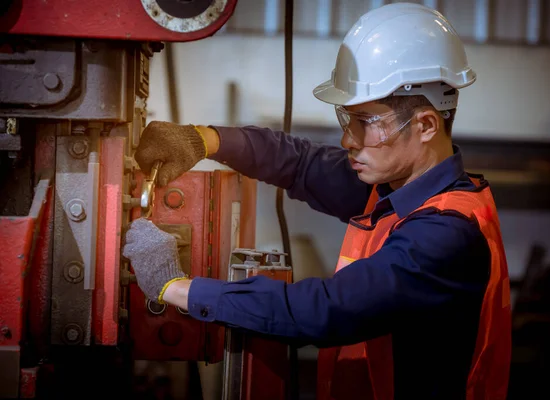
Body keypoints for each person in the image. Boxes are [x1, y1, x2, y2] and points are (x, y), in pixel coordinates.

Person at [123, 3, 512, 399]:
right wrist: (205, 139)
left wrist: (175, 287)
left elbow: (326, 310)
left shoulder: (446, 234)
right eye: (349, 120)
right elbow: (300, 163)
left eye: (366, 123)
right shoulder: (395, 187)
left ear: (426, 124)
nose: (348, 140)